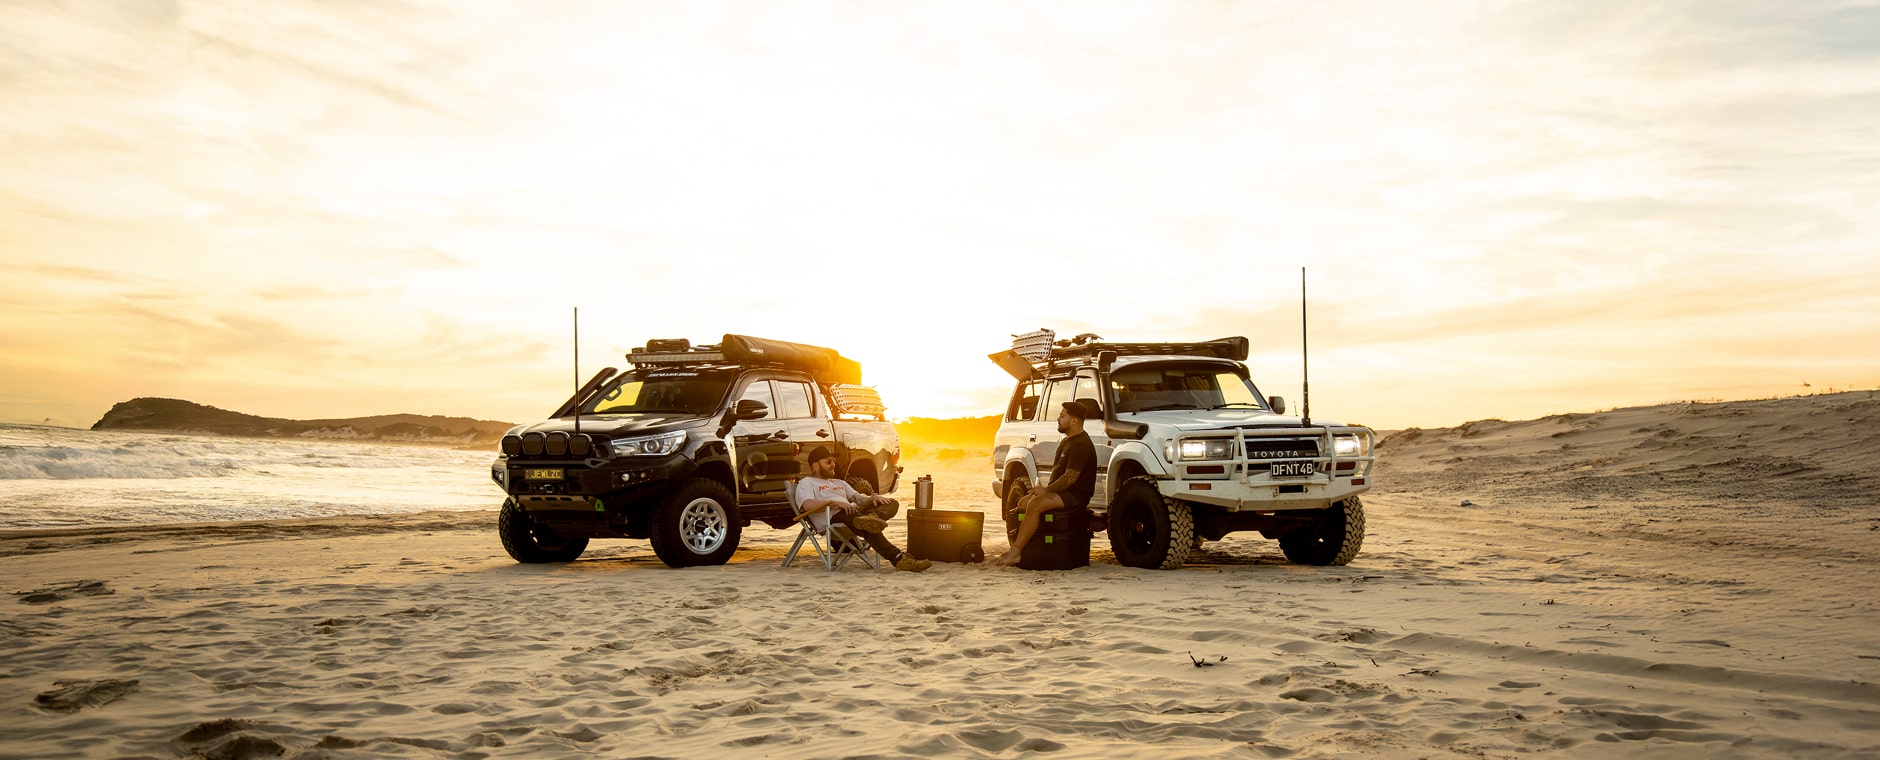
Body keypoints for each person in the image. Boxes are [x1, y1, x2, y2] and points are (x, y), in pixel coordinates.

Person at [993, 399, 1099, 566]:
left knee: (1035, 504)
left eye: (1062, 416)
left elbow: (1070, 478)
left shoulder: (1081, 445)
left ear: (1074, 420)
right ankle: (1029, 547)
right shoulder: (1067, 441)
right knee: (1023, 502)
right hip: (1062, 493)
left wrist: (1046, 490)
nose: (1058, 419)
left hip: (1074, 496)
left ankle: (1016, 551)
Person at [795, 446, 931, 572]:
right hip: (834, 518)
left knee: (891, 503)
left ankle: (872, 517)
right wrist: (833, 502)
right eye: (828, 462)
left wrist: (873, 497)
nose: (833, 464)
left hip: (853, 513)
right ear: (815, 465)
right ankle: (898, 558)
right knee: (866, 526)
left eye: (833, 461)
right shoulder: (806, 483)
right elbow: (807, 505)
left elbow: (859, 499)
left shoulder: (839, 483)